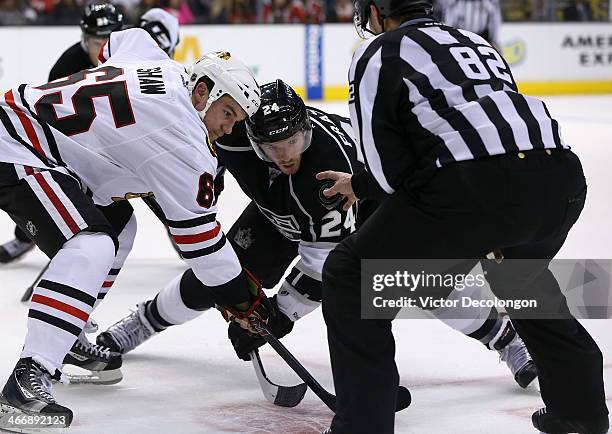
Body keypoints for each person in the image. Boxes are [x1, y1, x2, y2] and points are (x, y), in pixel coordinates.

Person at [96, 80, 536, 390]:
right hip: (278, 214)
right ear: (251, 137)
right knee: (218, 272)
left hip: (369, 216)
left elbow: (321, 269)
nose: (285, 154)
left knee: (416, 280)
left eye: (294, 140)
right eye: (272, 147)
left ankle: (507, 339)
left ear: (307, 127)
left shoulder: (324, 174)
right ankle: (138, 325)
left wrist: (276, 316)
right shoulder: (233, 136)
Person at [319, 0, 609, 433]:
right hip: (558, 179)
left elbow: (388, 169)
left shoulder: (379, 52)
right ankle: (581, 409)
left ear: (377, 12)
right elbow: (487, 122)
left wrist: (363, 186)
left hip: (474, 186)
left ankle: (363, 425)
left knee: (350, 274)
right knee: (520, 276)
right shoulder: (474, 41)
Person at [0, 28, 263, 429]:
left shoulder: (157, 62)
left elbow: (123, 38)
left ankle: (64, 333)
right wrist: (243, 299)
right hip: (17, 145)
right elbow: (200, 242)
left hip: (30, 132)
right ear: (202, 92)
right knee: (91, 245)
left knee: (120, 227)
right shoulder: (184, 140)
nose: (229, 128)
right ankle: (27, 379)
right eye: (227, 113)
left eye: (237, 120)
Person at [0, 5, 181, 265]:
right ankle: (27, 236)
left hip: (131, 137)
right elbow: (52, 119)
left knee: (160, 183)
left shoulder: (135, 57)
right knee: (56, 183)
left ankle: (180, 228)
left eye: (104, 40)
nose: (98, 49)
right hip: (85, 144)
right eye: (92, 41)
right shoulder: (68, 64)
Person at [433, 0, 501, 46]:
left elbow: (494, 16)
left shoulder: (488, 3)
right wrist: (449, 37)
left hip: (481, 36)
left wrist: (493, 40)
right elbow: (447, 11)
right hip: (460, 36)